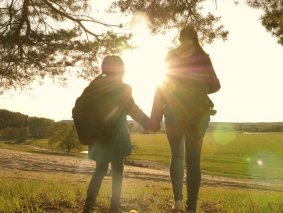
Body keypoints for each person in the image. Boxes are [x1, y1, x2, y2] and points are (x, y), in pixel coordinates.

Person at [150, 25, 221, 213]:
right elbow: (216, 85)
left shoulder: (171, 56)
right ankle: (192, 208)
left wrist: (155, 119)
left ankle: (178, 203)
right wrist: (198, 89)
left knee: (177, 156)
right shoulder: (203, 57)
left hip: (173, 113)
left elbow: (161, 87)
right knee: (193, 161)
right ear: (196, 38)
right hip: (198, 114)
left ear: (179, 38)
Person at [81, 55, 149, 213]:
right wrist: (149, 123)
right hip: (116, 136)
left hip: (97, 136)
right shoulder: (122, 88)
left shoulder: (94, 86)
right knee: (118, 171)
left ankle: (89, 205)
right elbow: (133, 110)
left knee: (100, 169)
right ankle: (114, 207)